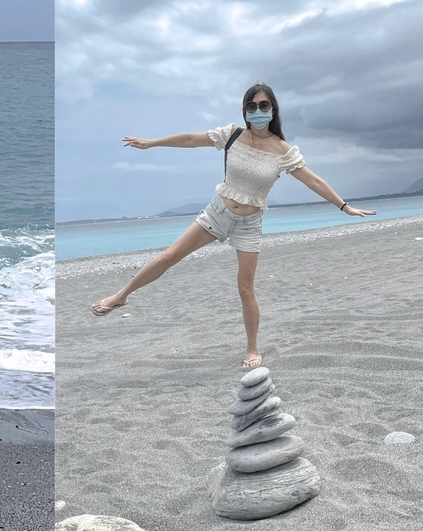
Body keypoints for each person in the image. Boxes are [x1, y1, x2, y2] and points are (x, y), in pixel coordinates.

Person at [91, 82, 377, 370]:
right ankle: (121, 296)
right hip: (218, 212)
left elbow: (313, 180)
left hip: (249, 224)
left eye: (263, 105)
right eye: (251, 106)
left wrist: (344, 206)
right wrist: (151, 143)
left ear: (273, 109)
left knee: (245, 288)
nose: (257, 111)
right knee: (169, 257)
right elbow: (192, 139)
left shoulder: (283, 150)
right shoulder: (232, 136)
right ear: (245, 111)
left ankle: (252, 347)